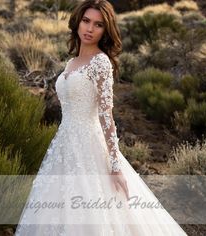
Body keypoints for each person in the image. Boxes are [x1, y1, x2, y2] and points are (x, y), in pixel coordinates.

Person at [14, 0, 188, 235]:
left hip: (90, 146)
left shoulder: (100, 62)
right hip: (64, 146)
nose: (89, 29)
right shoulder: (71, 62)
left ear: (105, 30)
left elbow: (106, 116)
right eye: (86, 21)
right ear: (78, 22)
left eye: (98, 24)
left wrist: (115, 166)